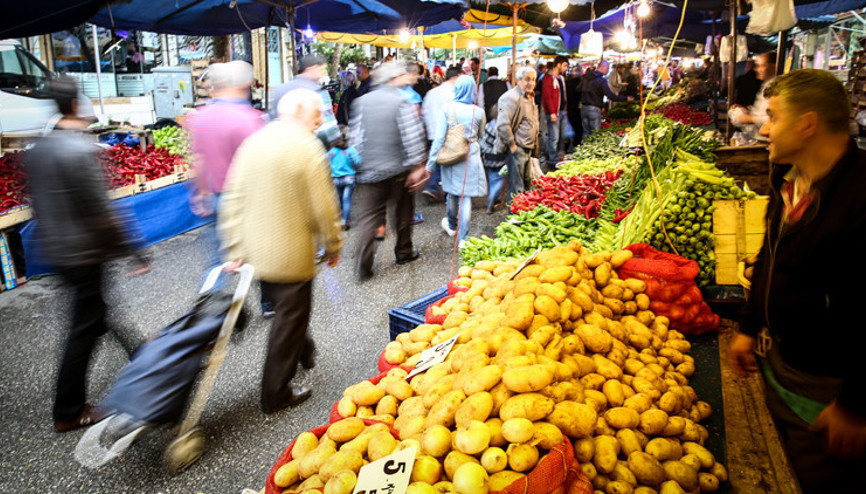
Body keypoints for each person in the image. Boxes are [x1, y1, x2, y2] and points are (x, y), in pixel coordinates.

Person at [728, 69, 866, 493]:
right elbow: (771, 254)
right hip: (783, 364)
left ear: (807, 124)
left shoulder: (860, 197)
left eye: (773, 117)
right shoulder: (787, 180)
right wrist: (750, 327)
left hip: (831, 390)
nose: (764, 129)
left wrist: (854, 406)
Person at [25, 77, 150, 432]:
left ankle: (142, 355)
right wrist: (135, 252)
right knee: (84, 328)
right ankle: (69, 410)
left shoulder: (39, 150)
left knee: (97, 310)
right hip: (84, 252)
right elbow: (103, 213)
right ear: (77, 106)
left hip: (58, 252)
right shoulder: (80, 151)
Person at [219, 88, 344, 414]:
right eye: (317, 113)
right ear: (302, 112)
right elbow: (324, 207)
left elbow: (233, 197)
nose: (320, 120)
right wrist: (334, 244)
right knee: (290, 317)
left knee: (289, 309)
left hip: (255, 251)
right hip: (290, 252)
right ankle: (276, 393)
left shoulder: (254, 141)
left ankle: (306, 353)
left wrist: (234, 246)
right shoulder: (307, 147)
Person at [186, 61, 270, 314]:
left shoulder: (199, 117)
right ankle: (268, 303)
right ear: (244, 84)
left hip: (214, 196)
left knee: (216, 258)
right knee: (259, 251)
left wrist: (201, 192)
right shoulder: (251, 119)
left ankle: (212, 312)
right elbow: (261, 165)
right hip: (245, 200)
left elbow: (198, 160)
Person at [348, 61, 429, 281]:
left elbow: (355, 138)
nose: (405, 77)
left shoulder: (360, 102)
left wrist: (361, 164)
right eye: (401, 75)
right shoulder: (400, 101)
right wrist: (417, 166)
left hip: (369, 171)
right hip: (398, 169)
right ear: (392, 79)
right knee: (402, 213)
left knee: (369, 217)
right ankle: (403, 252)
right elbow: (411, 137)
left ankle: (364, 263)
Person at [427, 75, 487, 244]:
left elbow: (439, 139)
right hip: (471, 157)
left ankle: (452, 224)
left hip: (452, 157)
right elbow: (481, 135)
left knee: (452, 194)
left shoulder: (447, 108)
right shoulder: (479, 112)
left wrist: (430, 164)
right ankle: (463, 239)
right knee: (466, 198)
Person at [269, 53, 340, 148]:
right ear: (312, 69)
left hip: (281, 149)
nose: (324, 74)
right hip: (310, 151)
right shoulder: (317, 91)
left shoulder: (280, 90)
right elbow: (329, 132)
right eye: (322, 69)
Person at [495, 66, 539, 203]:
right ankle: (514, 219)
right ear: (518, 80)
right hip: (518, 148)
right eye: (527, 80)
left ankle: (523, 216)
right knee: (517, 188)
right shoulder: (511, 97)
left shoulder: (530, 97)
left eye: (533, 80)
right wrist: (512, 145)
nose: (530, 83)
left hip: (528, 148)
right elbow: (503, 125)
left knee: (526, 185)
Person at [421, 66, 462, 203]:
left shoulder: (432, 92)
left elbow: (424, 112)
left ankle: (432, 186)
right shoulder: (454, 93)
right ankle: (447, 193)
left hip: (433, 132)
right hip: (450, 132)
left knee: (437, 159)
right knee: (450, 162)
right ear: (456, 77)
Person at [729, 52, 776, 143]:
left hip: (767, 141)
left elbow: (773, 118)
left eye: (762, 66)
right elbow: (763, 112)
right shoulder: (766, 84)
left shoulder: (777, 88)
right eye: (757, 66)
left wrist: (749, 118)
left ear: (774, 66)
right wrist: (747, 111)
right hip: (759, 138)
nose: (757, 69)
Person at [579, 60, 632, 139]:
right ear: (603, 67)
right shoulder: (601, 80)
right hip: (594, 109)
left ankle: (582, 149)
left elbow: (578, 89)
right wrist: (625, 98)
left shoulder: (585, 78)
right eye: (607, 68)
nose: (608, 70)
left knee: (586, 132)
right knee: (595, 134)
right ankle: (592, 150)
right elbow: (611, 96)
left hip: (584, 108)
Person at [327, 129, 361, 229]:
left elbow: (324, 162)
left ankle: (338, 218)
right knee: (346, 200)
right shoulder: (351, 150)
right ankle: (345, 221)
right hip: (348, 179)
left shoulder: (332, 152)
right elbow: (358, 162)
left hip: (336, 179)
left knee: (338, 199)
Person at [542, 55, 569, 169]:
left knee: (557, 136)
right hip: (553, 113)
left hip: (560, 112)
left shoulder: (559, 78)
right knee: (554, 137)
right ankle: (552, 161)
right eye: (565, 65)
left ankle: (553, 157)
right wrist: (553, 112)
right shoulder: (549, 78)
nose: (566, 68)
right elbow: (547, 96)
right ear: (558, 65)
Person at [480, 103, 507, 214]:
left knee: (492, 179)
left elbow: (482, 142)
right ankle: (491, 200)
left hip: (488, 158)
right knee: (500, 180)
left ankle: (494, 198)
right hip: (499, 158)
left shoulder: (487, 126)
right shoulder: (502, 129)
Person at [565, 65, 584, 150]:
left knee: (569, 126)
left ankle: (567, 145)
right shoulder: (581, 83)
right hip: (578, 108)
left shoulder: (567, 83)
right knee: (578, 127)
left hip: (569, 107)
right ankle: (576, 144)